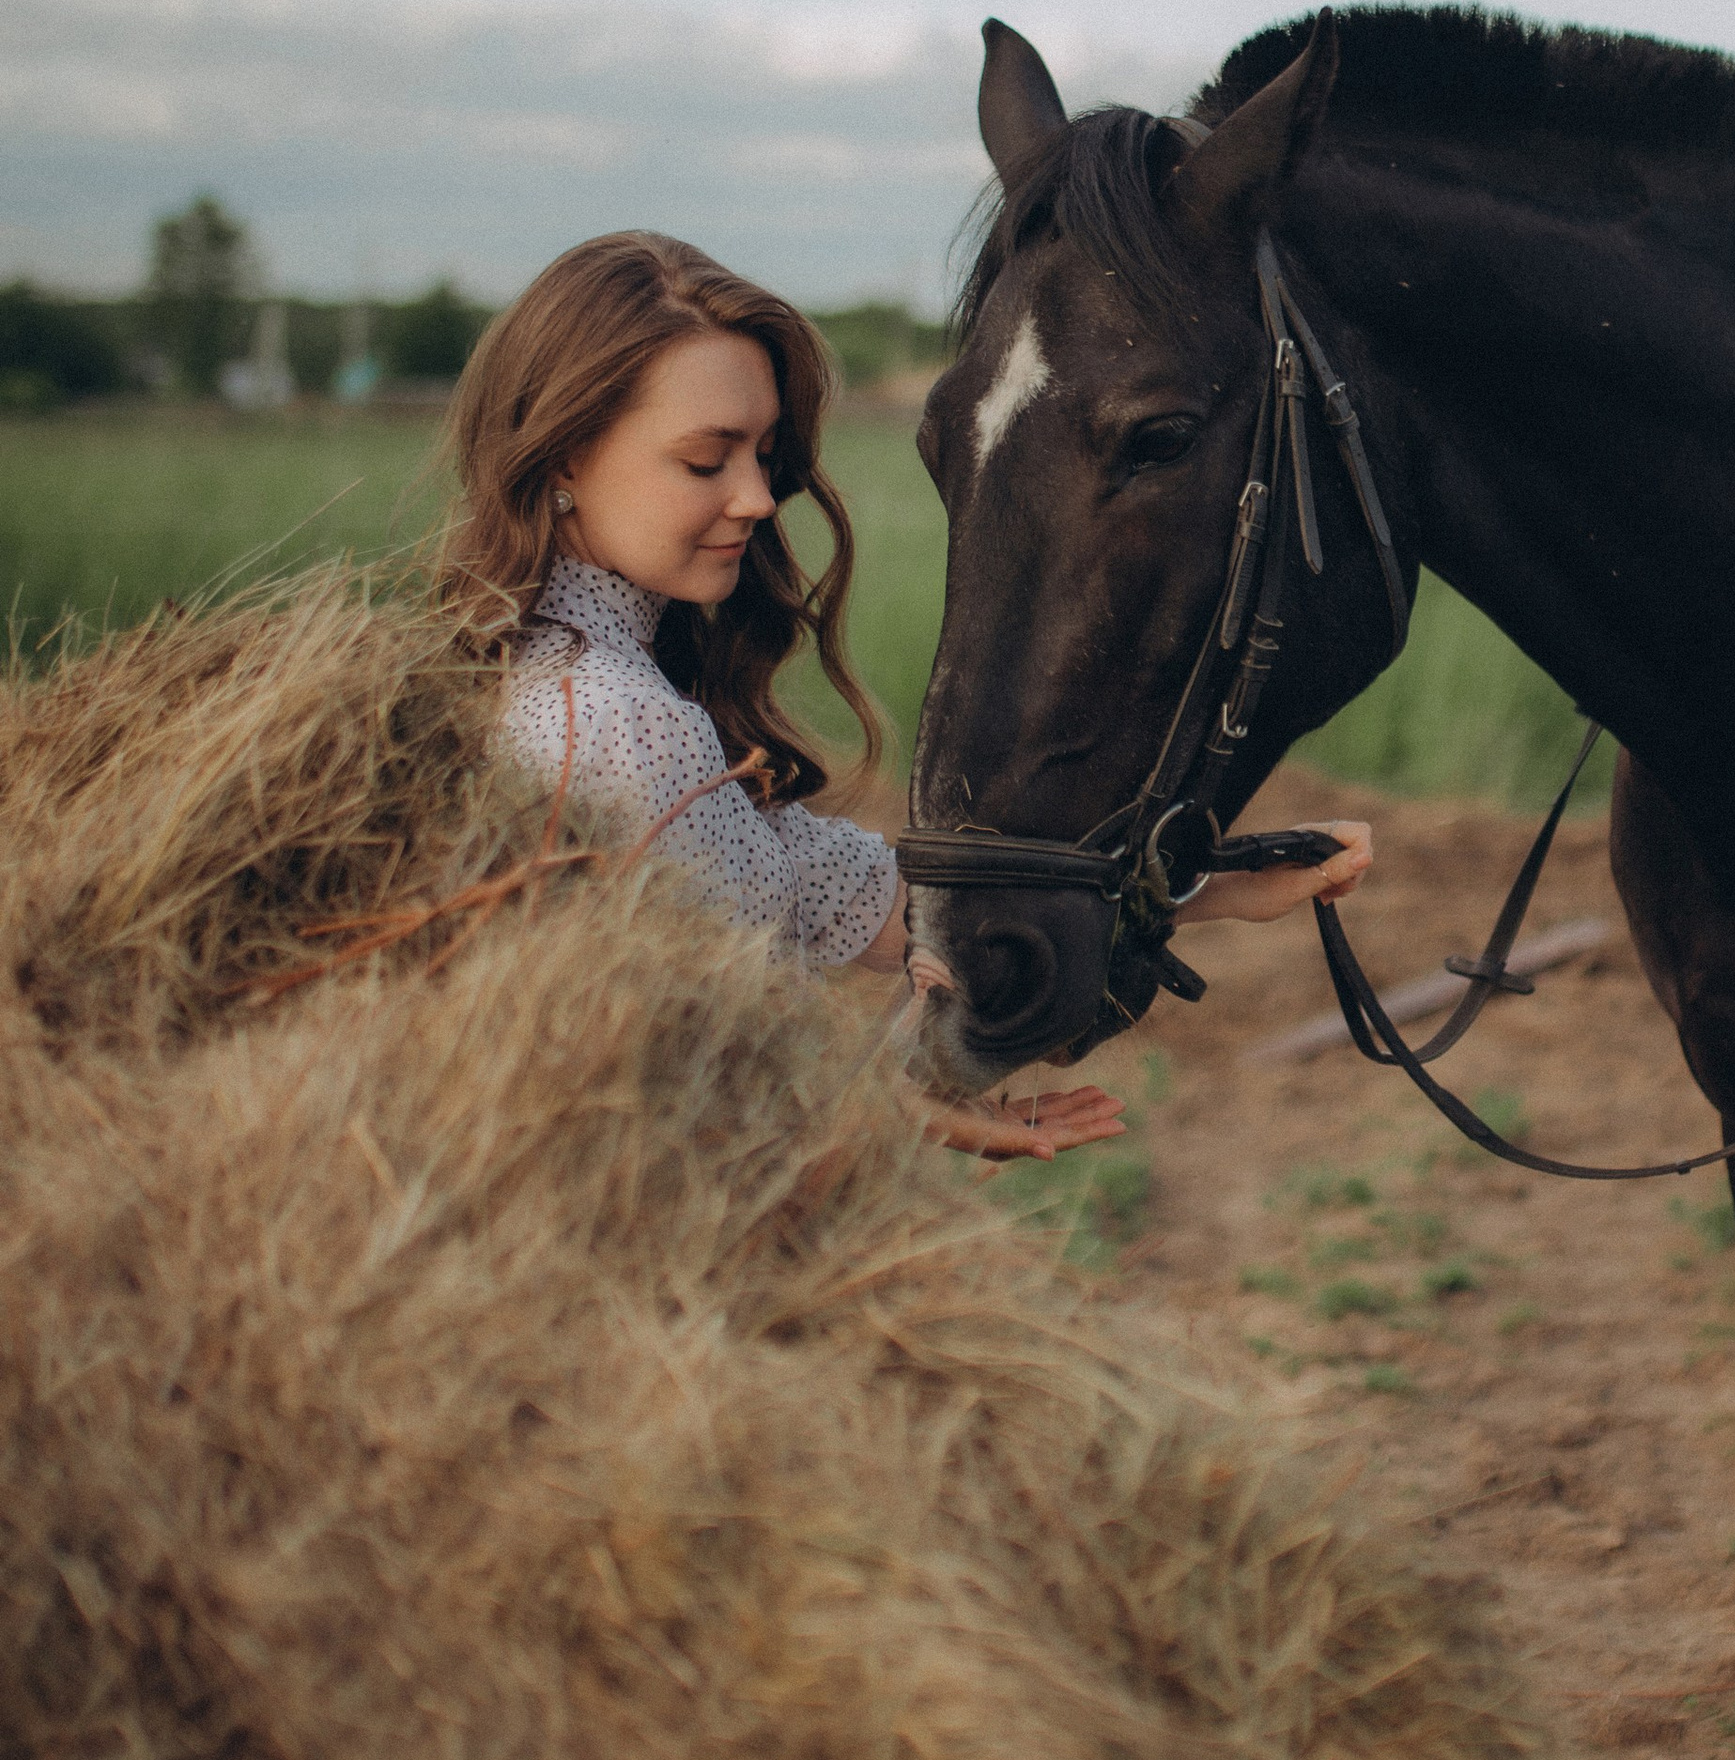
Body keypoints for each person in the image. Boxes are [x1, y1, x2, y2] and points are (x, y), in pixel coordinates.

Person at [438, 232, 1371, 1160]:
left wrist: (1203, 881)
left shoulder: (551, 675)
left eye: (764, 455)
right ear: (563, 456)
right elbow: (733, 1077)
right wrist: (913, 1102)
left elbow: (817, 887)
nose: (760, 498)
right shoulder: (619, 724)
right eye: (705, 459)